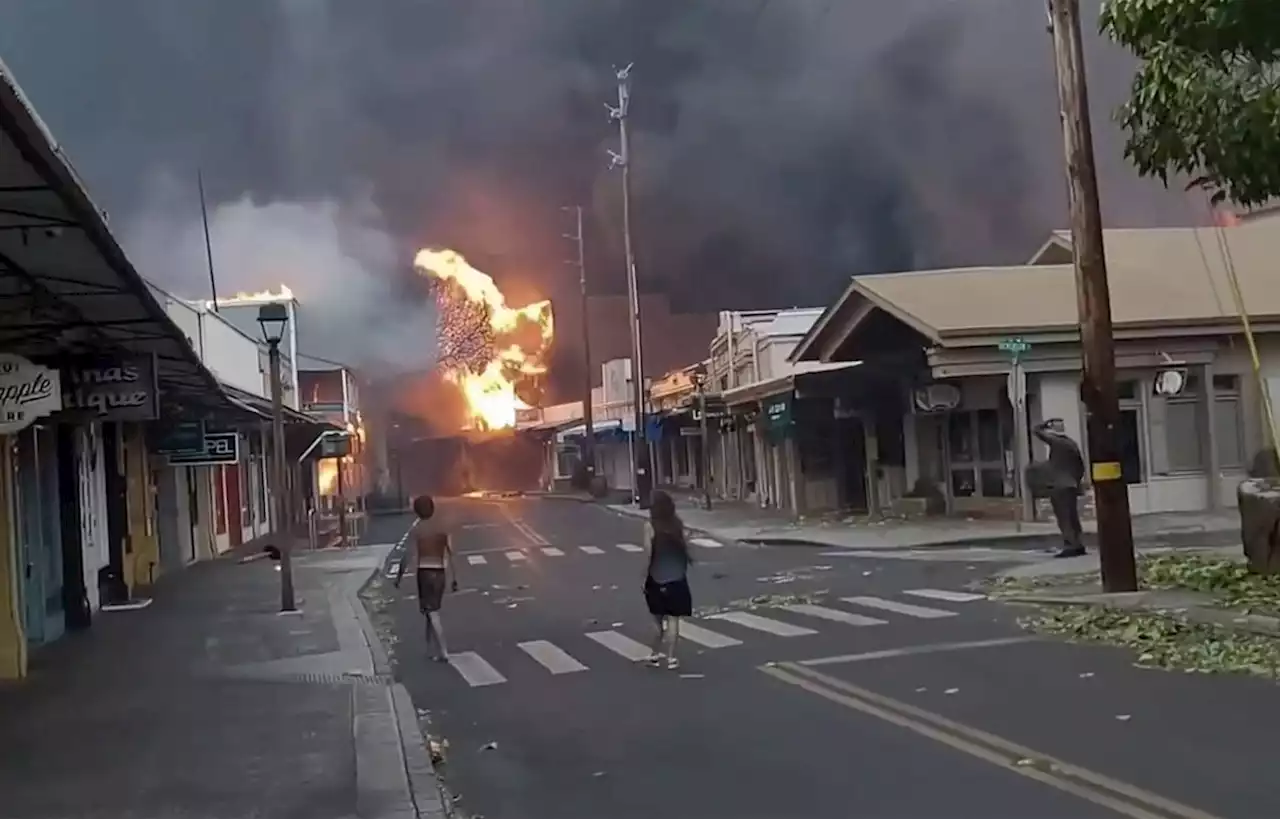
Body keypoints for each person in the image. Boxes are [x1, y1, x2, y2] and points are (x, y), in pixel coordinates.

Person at [394, 494, 458, 662]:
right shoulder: (443, 528)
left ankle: (443, 650)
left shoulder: (418, 529)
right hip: (440, 573)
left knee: (432, 612)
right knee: (430, 611)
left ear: (417, 511)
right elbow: (451, 553)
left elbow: (407, 555)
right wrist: (455, 578)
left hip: (425, 573)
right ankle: (430, 649)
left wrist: (399, 577)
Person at [642, 490, 693, 670]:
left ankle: (654, 655)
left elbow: (648, 554)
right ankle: (671, 658)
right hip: (677, 578)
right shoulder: (677, 524)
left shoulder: (649, 526)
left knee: (657, 620)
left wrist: (644, 576)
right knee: (673, 620)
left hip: (657, 577)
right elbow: (683, 548)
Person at [1032, 418, 1087, 558]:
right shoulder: (1072, 444)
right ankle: (1078, 544)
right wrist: (1075, 480)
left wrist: (1044, 424)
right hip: (1071, 485)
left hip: (1059, 486)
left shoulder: (1057, 442)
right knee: (1073, 516)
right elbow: (1080, 466)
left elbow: (1036, 431)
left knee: (1063, 517)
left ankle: (1070, 545)